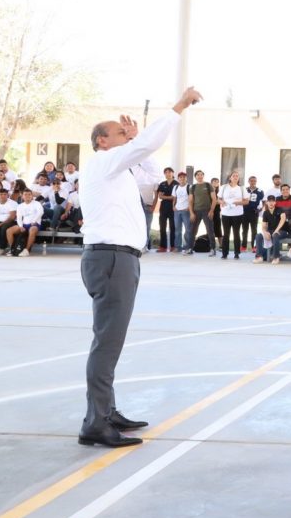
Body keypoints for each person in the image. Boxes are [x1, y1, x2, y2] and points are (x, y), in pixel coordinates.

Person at [78, 86, 202, 447]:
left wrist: (135, 142)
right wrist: (179, 106)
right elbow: (146, 145)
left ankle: (106, 411)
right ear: (102, 141)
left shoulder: (119, 170)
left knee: (109, 340)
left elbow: (151, 179)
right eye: (120, 132)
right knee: (107, 343)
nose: (127, 135)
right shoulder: (103, 162)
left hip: (117, 258)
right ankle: (96, 422)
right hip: (112, 258)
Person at [218, 172, 248, 260]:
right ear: (230, 178)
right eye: (233, 176)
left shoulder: (241, 188)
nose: (235, 177)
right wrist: (222, 202)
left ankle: (237, 253)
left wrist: (238, 203)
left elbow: (246, 201)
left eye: (237, 176)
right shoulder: (224, 187)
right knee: (226, 234)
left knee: (236, 233)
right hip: (226, 214)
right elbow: (218, 199)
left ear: (238, 178)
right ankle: (224, 253)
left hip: (237, 214)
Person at [188, 170, 217, 256]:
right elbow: (190, 201)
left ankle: (213, 249)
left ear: (203, 176)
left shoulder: (208, 185)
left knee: (210, 230)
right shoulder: (193, 187)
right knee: (193, 231)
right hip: (196, 211)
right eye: (198, 175)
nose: (200, 176)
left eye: (201, 175)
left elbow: (214, 199)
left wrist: (211, 211)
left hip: (207, 211)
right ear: (195, 177)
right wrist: (191, 213)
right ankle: (190, 248)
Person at [7, 188, 43, 256]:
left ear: (32, 196)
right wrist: (21, 226)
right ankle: (12, 249)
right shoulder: (20, 206)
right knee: (9, 231)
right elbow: (19, 217)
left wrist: (34, 221)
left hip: (35, 224)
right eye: (25, 194)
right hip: (24, 225)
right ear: (22, 196)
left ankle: (26, 250)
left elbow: (41, 212)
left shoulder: (37, 203)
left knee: (32, 229)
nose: (27, 196)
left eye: (29, 194)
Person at [254, 196, 286, 265]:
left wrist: (276, 230)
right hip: (271, 231)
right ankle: (259, 256)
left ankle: (276, 257)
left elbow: (283, 220)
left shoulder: (280, 209)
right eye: (269, 201)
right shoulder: (265, 212)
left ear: (275, 202)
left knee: (275, 235)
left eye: (273, 201)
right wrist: (265, 232)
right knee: (258, 236)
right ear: (267, 202)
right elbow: (264, 226)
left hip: (282, 231)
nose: (271, 203)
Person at [155, 167, 177, 252]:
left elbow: (175, 197)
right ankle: (163, 247)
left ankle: (173, 246)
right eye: (166, 172)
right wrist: (170, 197)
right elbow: (160, 196)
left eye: (169, 172)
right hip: (163, 208)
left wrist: (166, 196)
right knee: (162, 227)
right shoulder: (162, 184)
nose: (168, 174)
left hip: (173, 207)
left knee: (173, 227)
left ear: (172, 173)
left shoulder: (176, 184)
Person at [242, 176, 264, 252]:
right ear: (248, 181)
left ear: (256, 182)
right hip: (244, 212)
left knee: (254, 230)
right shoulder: (244, 190)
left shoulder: (260, 191)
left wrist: (260, 209)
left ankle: (254, 246)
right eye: (251, 181)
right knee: (244, 230)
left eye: (254, 181)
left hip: (254, 213)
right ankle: (243, 246)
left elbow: (264, 202)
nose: (253, 182)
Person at [172, 171, 191, 253]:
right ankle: (178, 247)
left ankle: (187, 247)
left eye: (184, 177)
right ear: (178, 179)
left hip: (186, 211)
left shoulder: (189, 187)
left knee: (188, 230)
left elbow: (192, 198)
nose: (182, 179)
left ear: (186, 178)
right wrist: (173, 206)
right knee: (177, 230)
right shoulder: (176, 187)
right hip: (177, 211)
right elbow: (174, 198)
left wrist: (189, 207)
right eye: (180, 177)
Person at [0, 188, 16, 252]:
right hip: (0, 221)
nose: (3, 196)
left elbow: (12, 217)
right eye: (1, 194)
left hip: (11, 221)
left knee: (3, 228)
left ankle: (2, 248)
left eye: (5, 194)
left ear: (7, 195)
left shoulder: (12, 203)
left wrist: (0, 224)